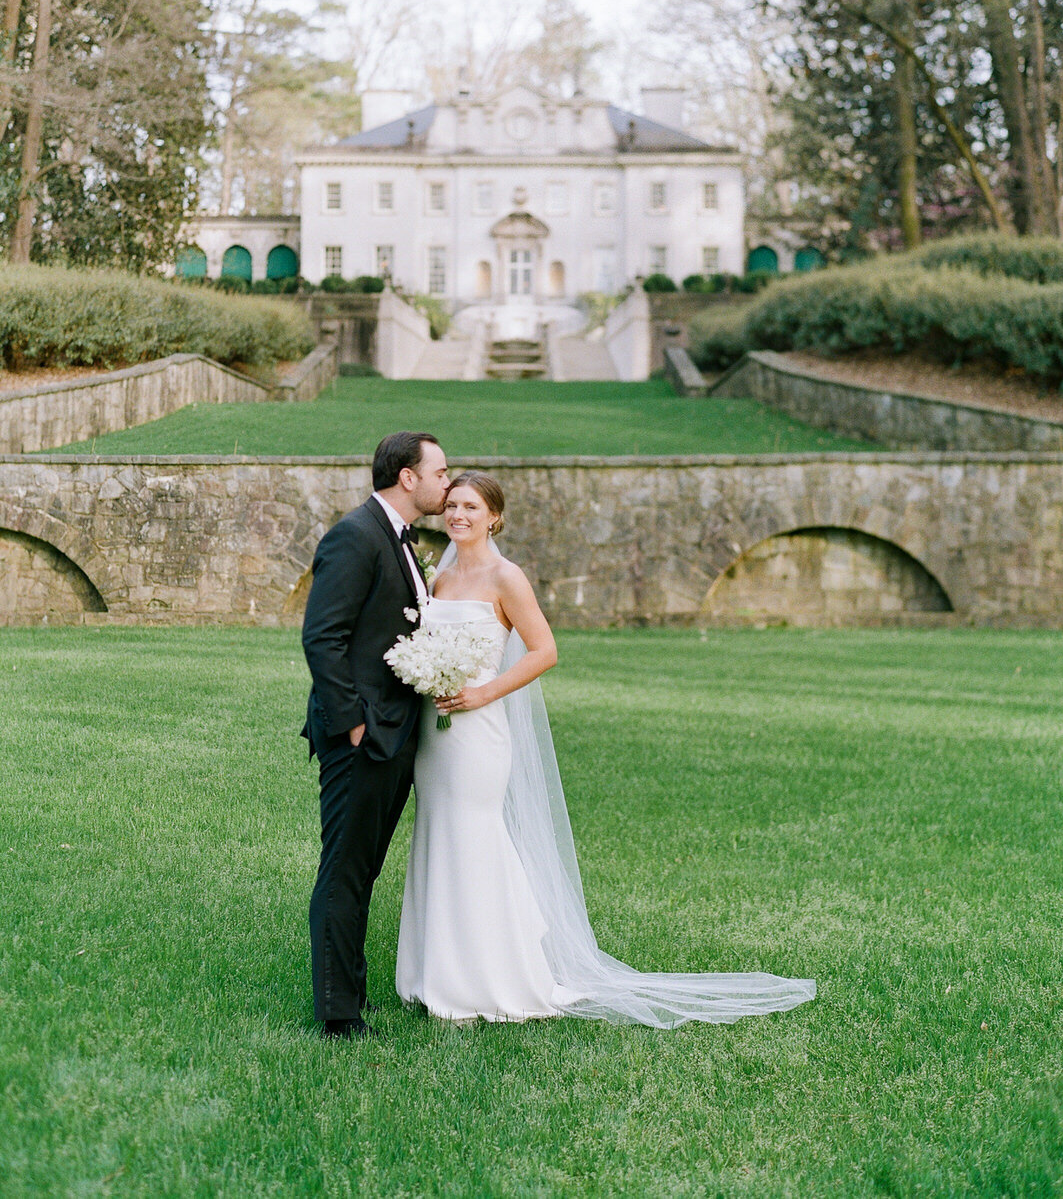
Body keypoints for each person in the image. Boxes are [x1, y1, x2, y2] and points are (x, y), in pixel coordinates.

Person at [396, 471, 816, 1027]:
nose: (458, 515)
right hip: (434, 734)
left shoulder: (507, 577)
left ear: (494, 516)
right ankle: (436, 972)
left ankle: (493, 978)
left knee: (476, 837)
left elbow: (544, 651)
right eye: (452, 506)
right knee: (438, 833)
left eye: (472, 507)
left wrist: (481, 693)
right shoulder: (439, 580)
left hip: (479, 731)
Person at [302, 430, 449, 1040]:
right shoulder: (355, 536)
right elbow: (323, 637)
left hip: (395, 734)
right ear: (407, 477)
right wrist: (354, 724)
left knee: (362, 870)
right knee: (343, 869)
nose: (449, 480)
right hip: (363, 738)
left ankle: (352, 992)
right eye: (441, 471)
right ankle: (338, 1014)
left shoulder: (400, 540)